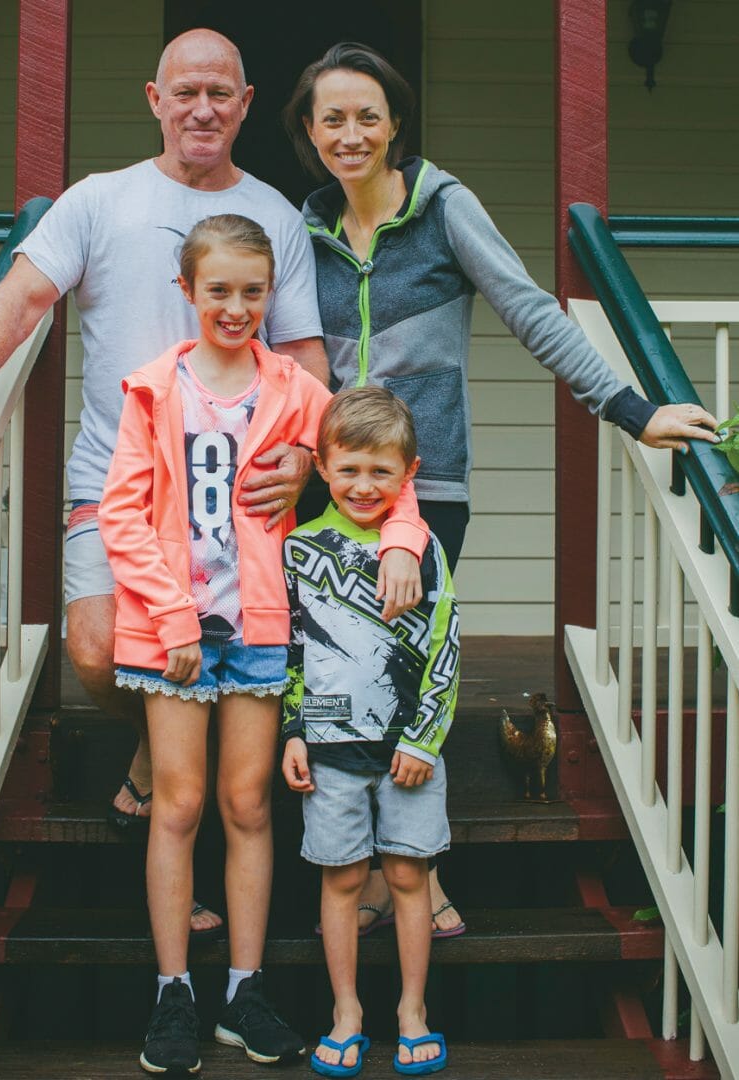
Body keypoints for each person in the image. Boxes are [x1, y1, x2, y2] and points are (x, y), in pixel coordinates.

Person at [0, 28, 332, 934]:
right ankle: (150, 753)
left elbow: (302, 350)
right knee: (96, 647)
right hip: (121, 483)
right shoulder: (99, 202)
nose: (201, 109)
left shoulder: (275, 216)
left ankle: (189, 839)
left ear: (245, 104)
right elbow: (16, 301)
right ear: (154, 99)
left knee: (236, 686)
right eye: (184, 92)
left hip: (236, 496)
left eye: (220, 93)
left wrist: (309, 452)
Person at [282, 39, 721, 942]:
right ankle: (361, 876)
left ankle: (419, 877)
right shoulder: (304, 225)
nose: (351, 132)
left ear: (396, 123)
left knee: (410, 673)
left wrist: (629, 408)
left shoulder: (443, 206)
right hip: (328, 495)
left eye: (368, 115)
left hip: (426, 482)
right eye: (332, 117)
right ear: (308, 130)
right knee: (339, 674)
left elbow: (528, 309)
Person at [96, 214, 428, 1074]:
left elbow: (386, 465)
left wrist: (400, 537)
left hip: (260, 625)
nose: (236, 307)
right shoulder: (153, 389)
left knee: (247, 806)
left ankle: (244, 990)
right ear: (188, 292)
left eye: (252, 291)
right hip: (173, 633)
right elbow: (122, 517)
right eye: (219, 291)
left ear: (270, 294)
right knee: (177, 804)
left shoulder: (296, 392)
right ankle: (174, 992)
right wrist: (170, 617)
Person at [282, 386, 457, 1077]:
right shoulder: (298, 547)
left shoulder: (421, 552)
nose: (363, 485)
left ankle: (412, 1011)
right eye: (348, 468)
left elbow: (443, 644)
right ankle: (345, 1011)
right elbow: (290, 647)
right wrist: (292, 730)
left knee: (409, 877)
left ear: (406, 474)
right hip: (328, 750)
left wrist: (422, 739)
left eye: (380, 472)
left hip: (407, 751)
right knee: (342, 881)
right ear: (322, 466)